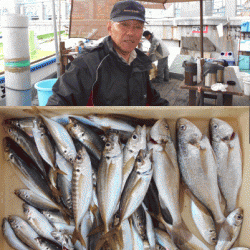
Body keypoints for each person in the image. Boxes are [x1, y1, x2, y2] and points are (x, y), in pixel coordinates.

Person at [46, 0, 169, 106]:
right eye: (124, 25)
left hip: (135, 131)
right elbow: (58, 102)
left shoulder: (140, 62)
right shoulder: (88, 63)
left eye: (138, 26)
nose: (131, 32)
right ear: (109, 28)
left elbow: (153, 99)